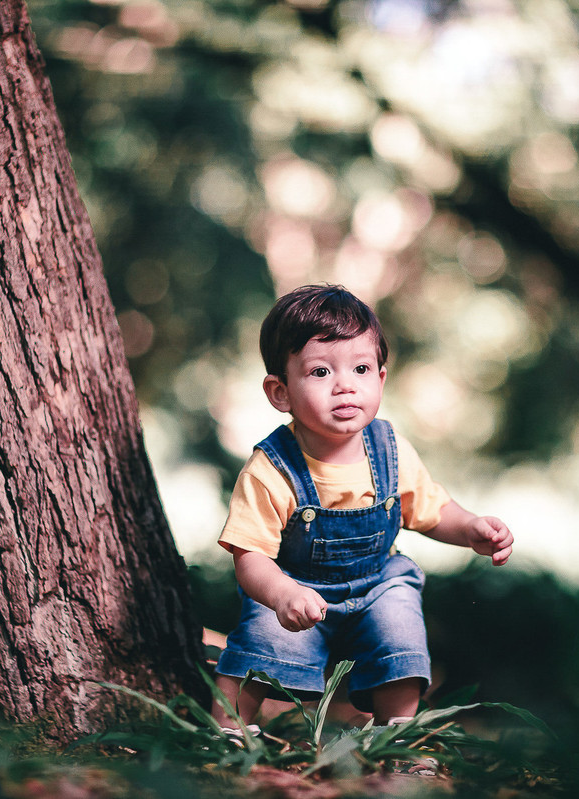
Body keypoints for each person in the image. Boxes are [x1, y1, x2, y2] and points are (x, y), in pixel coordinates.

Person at [210, 284, 513, 738]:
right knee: (261, 638)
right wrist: (280, 594)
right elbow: (248, 555)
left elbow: (431, 510)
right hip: (296, 591)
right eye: (319, 372)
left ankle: (394, 730)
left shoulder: (391, 450)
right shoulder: (271, 470)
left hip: (376, 586)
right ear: (280, 392)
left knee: (400, 628)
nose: (345, 384)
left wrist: (470, 528)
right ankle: (226, 730)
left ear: (381, 379)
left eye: (360, 368)